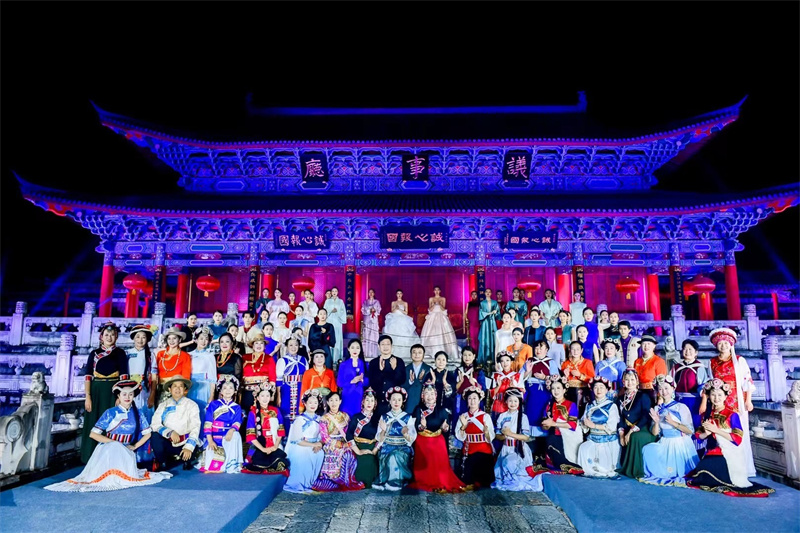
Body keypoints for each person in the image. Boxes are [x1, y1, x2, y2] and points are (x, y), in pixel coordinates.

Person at [45, 379, 171, 492]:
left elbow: (147, 434)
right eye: (124, 394)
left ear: (134, 396)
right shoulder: (110, 413)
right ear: (118, 396)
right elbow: (93, 434)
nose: (127, 397)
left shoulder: (138, 413)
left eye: (130, 394)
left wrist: (135, 446)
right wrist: (114, 443)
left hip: (126, 450)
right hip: (108, 449)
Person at [686, 379, 774, 497]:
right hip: (714, 450)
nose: (716, 398)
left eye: (719, 395)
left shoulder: (732, 414)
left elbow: (737, 439)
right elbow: (699, 437)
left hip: (731, 452)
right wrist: (706, 433)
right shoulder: (708, 414)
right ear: (709, 396)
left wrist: (716, 430)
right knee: (702, 468)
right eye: (713, 395)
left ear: (725, 396)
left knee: (707, 467)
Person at [701, 327, 756, 477]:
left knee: (738, 432)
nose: (723, 346)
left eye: (726, 343)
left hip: (737, 402)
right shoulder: (712, 362)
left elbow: (747, 381)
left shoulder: (739, 360)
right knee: (719, 432)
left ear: (731, 344)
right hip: (718, 402)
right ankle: (724, 466)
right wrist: (706, 401)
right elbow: (709, 384)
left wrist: (748, 400)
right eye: (720, 343)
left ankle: (744, 467)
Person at [81, 322, 129, 464]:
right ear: (101, 337)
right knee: (94, 421)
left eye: (112, 335)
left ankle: (111, 458)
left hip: (113, 391)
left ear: (116, 337)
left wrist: (120, 397)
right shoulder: (94, 354)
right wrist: (88, 396)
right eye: (106, 335)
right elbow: (88, 376)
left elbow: (124, 376)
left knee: (112, 423)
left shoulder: (120, 353)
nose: (109, 337)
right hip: (96, 390)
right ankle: (90, 457)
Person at [640, 375, 698, 486]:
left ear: (673, 388)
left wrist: (673, 423)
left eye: (666, 388)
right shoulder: (657, 408)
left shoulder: (681, 407)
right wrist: (656, 422)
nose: (664, 391)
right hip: (665, 441)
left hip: (679, 443)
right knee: (647, 450)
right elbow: (655, 433)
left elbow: (690, 431)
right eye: (660, 389)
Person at [409, 381, 465, 492]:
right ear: (422, 396)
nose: (429, 396)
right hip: (423, 441)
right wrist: (421, 426)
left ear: (436, 395)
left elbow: (446, 428)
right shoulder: (418, 409)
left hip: (438, 440)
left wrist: (445, 428)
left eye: (432, 394)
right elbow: (414, 428)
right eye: (426, 393)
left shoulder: (442, 410)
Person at [530, 375, 583, 477]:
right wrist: (546, 425)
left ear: (564, 390)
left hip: (568, 437)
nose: (556, 391)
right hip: (553, 437)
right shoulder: (549, 405)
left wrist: (553, 423)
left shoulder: (571, 405)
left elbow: (572, 425)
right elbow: (545, 426)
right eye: (553, 388)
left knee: (552, 441)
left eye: (558, 388)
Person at [310, 391, 364, 491]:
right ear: (327, 402)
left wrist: (347, 443)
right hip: (330, 444)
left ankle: (345, 480)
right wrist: (339, 444)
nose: (334, 403)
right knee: (339, 452)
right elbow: (325, 437)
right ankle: (332, 479)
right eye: (331, 400)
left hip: (344, 442)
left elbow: (349, 433)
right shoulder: (324, 418)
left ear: (340, 401)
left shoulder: (345, 416)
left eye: (336, 400)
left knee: (349, 453)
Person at [492, 388, 544, 491]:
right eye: (510, 401)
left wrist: (510, 434)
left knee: (509, 463)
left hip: (518, 448)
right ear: (506, 401)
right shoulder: (502, 416)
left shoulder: (523, 417)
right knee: (498, 469)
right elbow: (497, 435)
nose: (513, 403)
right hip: (506, 448)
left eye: (515, 401)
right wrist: (503, 436)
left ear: (519, 402)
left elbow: (525, 437)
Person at [149, 375, 202, 471]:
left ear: (185, 389)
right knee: (155, 436)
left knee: (189, 458)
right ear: (170, 389)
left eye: (181, 386)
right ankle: (162, 462)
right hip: (168, 441)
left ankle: (186, 458)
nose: (178, 389)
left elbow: (195, 427)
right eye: (175, 386)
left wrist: (188, 447)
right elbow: (154, 424)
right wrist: (170, 433)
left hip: (185, 442)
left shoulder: (192, 405)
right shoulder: (163, 405)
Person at [577, 377, 621, 478]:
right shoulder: (589, 405)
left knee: (603, 465)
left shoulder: (611, 406)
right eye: (596, 387)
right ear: (592, 390)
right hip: (592, 438)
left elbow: (612, 427)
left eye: (601, 387)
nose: (599, 390)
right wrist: (584, 423)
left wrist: (594, 425)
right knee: (583, 448)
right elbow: (584, 423)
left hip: (607, 440)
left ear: (606, 390)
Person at [374, 387, 416, 491]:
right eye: (393, 399)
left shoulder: (408, 417)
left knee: (394, 456)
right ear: (389, 401)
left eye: (399, 400)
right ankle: (387, 480)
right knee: (388, 456)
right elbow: (379, 438)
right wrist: (383, 430)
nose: (396, 402)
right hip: (387, 446)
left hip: (402, 448)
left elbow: (411, 438)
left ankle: (396, 481)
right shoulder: (384, 417)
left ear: (403, 401)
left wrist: (406, 434)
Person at [243, 381, 289, 475]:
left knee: (280, 462)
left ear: (271, 397)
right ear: (257, 398)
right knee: (257, 463)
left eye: (267, 396)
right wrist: (263, 449)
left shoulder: (276, 411)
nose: (265, 398)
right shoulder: (253, 413)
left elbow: (280, 431)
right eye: (262, 396)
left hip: (274, 444)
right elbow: (251, 435)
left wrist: (275, 446)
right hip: (259, 446)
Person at [616, 368, 656, 479]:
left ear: (637, 381)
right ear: (623, 382)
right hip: (627, 427)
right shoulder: (620, 399)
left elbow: (646, 416)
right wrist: (621, 434)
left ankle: (635, 470)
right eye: (627, 380)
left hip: (642, 427)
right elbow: (620, 418)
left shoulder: (643, 396)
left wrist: (630, 432)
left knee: (634, 437)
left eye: (632, 380)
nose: (630, 382)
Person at [200, 375, 243, 474]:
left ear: (235, 391)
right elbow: (208, 423)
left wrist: (231, 430)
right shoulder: (213, 404)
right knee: (212, 464)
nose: (228, 390)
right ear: (221, 391)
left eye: (231, 388)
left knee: (236, 435)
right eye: (225, 388)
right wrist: (210, 440)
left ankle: (231, 464)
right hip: (214, 436)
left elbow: (237, 422)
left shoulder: (237, 407)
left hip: (228, 435)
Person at [284, 390, 325, 493]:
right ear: (305, 403)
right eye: (310, 402)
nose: (313, 405)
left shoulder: (320, 419)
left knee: (320, 453)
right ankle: (299, 483)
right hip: (301, 446)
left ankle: (311, 483)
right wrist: (313, 444)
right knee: (303, 454)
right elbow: (297, 440)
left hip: (315, 445)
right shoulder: (300, 419)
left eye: (315, 402)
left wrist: (319, 444)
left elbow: (322, 436)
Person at [454, 387, 496, 488]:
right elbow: (460, 437)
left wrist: (486, 432)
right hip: (469, 451)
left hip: (484, 451)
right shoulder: (463, 417)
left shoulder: (485, 416)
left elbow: (491, 437)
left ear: (479, 400)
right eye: (470, 398)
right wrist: (463, 427)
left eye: (474, 398)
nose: (472, 401)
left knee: (484, 482)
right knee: (467, 480)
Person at [523, 340, 559, 442]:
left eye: (541, 348)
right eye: (536, 348)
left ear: (546, 350)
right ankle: (529, 436)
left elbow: (557, 379)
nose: (538, 350)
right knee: (530, 412)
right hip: (531, 392)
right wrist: (527, 372)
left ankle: (543, 439)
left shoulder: (551, 362)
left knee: (543, 412)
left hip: (544, 393)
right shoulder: (530, 361)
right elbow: (520, 377)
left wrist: (545, 377)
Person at [346, 388, 380, 488]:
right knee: (365, 459)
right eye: (367, 400)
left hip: (373, 447)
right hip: (358, 446)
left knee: (374, 459)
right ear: (363, 402)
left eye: (372, 401)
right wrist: (358, 451)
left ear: (375, 403)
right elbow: (349, 435)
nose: (369, 403)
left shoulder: (378, 418)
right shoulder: (356, 417)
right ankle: (361, 483)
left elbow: (381, 436)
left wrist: (374, 450)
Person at [671, 339, 708, 429]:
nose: (687, 352)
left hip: (694, 401)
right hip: (678, 400)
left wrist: (703, 402)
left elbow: (703, 386)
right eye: (685, 349)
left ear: (696, 352)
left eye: (690, 349)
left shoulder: (699, 367)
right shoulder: (676, 367)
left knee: (695, 423)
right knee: (679, 423)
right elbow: (671, 384)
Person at [367, 335, 407, 416]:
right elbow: (373, 383)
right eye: (383, 344)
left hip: (394, 404)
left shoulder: (399, 361)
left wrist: (394, 369)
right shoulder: (373, 363)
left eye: (388, 344)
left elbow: (401, 380)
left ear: (391, 346)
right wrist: (380, 371)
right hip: (378, 403)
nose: (385, 347)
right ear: (379, 346)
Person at [276, 337, 308, 432]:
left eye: (296, 345)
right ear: (286, 347)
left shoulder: (303, 360)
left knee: (300, 410)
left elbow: (306, 377)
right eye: (291, 345)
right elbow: (279, 379)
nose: (293, 347)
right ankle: (286, 435)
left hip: (300, 389)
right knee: (286, 411)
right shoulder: (282, 360)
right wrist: (278, 396)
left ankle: (298, 434)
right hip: (286, 390)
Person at [420, 286, 459, 362]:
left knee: (443, 332)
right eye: (435, 290)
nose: (437, 291)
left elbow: (443, 309)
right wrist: (434, 304)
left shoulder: (443, 299)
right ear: (433, 291)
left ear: (440, 291)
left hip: (441, 316)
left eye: (438, 290)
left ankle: (445, 351)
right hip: (432, 317)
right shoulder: (431, 299)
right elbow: (430, 309)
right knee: (431, 332)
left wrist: (439, 304)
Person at [241, 334, 277, 414]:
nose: (259, 345)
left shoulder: (269, 358)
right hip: (247, 392)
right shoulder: (245, 357)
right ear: (252, 346)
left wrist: (272, 394)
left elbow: (272, 377)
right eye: (256, 343)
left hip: (263, 393)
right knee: (247, 414)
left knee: (262, 415)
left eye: (261, 343)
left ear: (264, 346)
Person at [127, 324, 157, 418]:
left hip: (145, 390)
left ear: (147, 339)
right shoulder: (127, 353)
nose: (140, 340)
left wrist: (152, 395)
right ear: (133, 338)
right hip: (129, 389)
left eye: (143, 337)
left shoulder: (150, 355)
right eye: (138, 337)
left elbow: (154, 376)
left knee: (145, 416)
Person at [382, 289, 420, 361]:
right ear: (396, 294)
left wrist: (399, 309)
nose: (399, 295)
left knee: (404, 335)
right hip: (394, 318)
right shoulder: (393, 302)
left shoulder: (405, 303)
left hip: (402, 318)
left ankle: (404, 354)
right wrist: (396, 309)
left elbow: (406, 312)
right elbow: (392, 311)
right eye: (398, 293)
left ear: (402, 294)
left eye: (400, 293)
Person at [188, 327, 216, 417]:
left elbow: (212, 378)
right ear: (196, 340)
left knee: (202, 413)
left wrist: (211, 396)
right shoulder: (189, 355)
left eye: (206, 339)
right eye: (201, 338)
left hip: (204, 387)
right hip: (191, 387)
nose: (203, 341)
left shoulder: (210, 356)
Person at [337, 339, 368, 417]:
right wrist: (352, 381)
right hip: (347, 395)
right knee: (346, 418)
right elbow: (339, 383)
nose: (355, 350)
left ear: (360, 350)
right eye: (352, 347)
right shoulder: (343, 364)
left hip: (359, 396)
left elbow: (368, 381)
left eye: (357, 348)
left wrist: (362, 380)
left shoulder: (364, 364)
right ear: (348, 349)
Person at [562, 341, 594, 416]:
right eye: (573, 349)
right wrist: (565, 376)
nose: (575, 351)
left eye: (577, 349)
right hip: (568, 391)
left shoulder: (587, 362)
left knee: (580, 412)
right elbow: (562, 380)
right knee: (568, 412)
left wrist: (580, 375)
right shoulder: (566, 363)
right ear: (569, 350)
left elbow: (592, 379)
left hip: (582, 391)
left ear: (581, 350)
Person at [633, 335, 667, 403]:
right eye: (644, 344)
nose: (646, 346)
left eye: (649, 344)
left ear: (654, 346)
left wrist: (660, 397)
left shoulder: (659, 361)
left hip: (652, 393)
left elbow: (661, 382)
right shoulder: (637, 361)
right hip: (638, 392)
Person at [490, 351, 525, 417]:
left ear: (511, 361)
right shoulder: (495, 375)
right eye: (502, 361)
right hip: (498, 407)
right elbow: (491, 395)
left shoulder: (517, 376)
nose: (505, 363)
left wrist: (514, 387)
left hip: (513, 406)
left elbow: (522, 394)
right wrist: (498, 386)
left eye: (507, 360)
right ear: (500, 363)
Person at [455, 346, 486, 418]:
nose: (467, 357)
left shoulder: (478, 371)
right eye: (465, 355)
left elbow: (483, 388)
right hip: (461, 401)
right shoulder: (458, 370)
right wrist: (460, 382)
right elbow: (454, 388)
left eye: (469, 355)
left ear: (474, 356)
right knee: (460, 419)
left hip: (474, 401)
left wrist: (474, 383)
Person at [403, 343, 432, 416]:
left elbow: (431, 389)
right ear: (410, 354)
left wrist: (421, 381)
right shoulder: (405, 369)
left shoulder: (429, 369)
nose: (417, 355)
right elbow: (402, 387)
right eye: (414, 352)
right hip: (409, 404)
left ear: (423, 355)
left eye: (419, 353)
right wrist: (410, 381)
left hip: (423, 405)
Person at [324, 287, 348, 365]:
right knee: (330, 338)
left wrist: (337, 312)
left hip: (337, 322)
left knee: (337, 339)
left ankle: (337, 359)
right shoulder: (327, 301)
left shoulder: (340, 301)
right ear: (331, 292)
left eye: (335, 291)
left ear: (337, 292)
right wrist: (331, 311)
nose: (334, 292)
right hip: (330, 321)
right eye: (333, 291)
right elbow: (324, 311)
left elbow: (343, 311)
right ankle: (329, 358)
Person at [478, 288, 499, 368]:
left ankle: (493, 360)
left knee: (493, 339)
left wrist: (495, 313)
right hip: (485, 323)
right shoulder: (482, 303)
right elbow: (481, 314)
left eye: (489, 292)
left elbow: (498, 314)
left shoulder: (494, 302)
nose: (488, 293)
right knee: (485, 339)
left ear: (491, 293)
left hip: (492, 322)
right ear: (484, 293)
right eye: (486, 292)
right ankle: (484, 360)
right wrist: (490, 313)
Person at [361, 288, 382, 359]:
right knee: (366, 335)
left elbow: (379, 310)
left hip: (374, 320)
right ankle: (366, 352)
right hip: (367, 320)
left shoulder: (377, 302)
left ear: (374, 293)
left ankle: (374, 353)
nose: (370, 294)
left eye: (372, 292)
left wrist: (374, 311)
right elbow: (363, 310)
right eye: (369, 292)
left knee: (374, 335)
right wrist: (369, 310)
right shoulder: (365, 302)